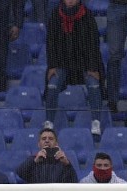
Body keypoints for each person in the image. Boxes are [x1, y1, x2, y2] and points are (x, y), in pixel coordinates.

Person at [43, 0, 104, 136]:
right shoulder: (55, 15)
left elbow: (94, 43)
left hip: (85, 63)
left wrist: (93, 67)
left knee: (93, 85)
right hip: (62, 63)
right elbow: (50, 42)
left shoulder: (87, 15)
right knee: (52, 85)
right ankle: (49, 123)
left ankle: (96, 121)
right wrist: (52, 66)